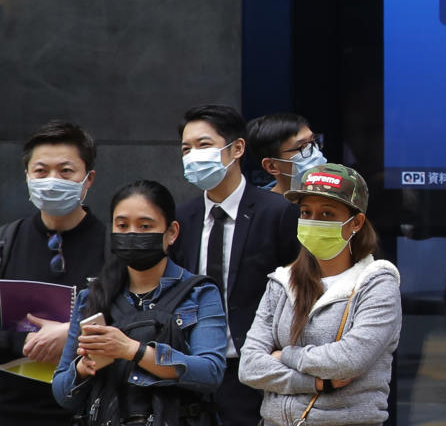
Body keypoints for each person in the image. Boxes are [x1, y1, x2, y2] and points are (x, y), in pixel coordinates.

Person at [51, 180, 227, 425]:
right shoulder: (91, 296)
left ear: (172, 232)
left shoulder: (199, 292)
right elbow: (62, 394)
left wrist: (133, 350)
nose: (132, 234)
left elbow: (210, 372)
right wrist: (84, 366)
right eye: (122, 226)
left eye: (145, 226)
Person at [239, 162, 401, 426]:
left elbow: (349, 360)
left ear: (356, 223)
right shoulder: (282, 281)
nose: (313, 222)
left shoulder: (377, 283)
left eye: (327, 214)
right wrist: (316, 382)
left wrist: (285, 355)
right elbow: (249, 366)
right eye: (306, 212)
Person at [170, 104, 302, 426]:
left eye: (204, 145)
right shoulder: (181, 218)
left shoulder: (277, 212)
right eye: (186, 149)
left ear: (237, 148)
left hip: (251, 372)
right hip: (190, 371)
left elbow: (298, 291)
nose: (193, 156)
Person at [0, 120, 106, 426]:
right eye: (41, 171)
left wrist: (71, 337)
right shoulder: (7, 242)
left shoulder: (113, 247)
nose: (52, 180)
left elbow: (133, 322)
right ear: (27, 177)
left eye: (65, 171)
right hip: (11, 409)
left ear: (88, 179)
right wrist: (28, 341)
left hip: (86, 410)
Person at [246, 112, 326, 195]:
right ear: (272, 166)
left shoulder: (337, 199)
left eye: (313, 141)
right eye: (302, 147)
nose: (315, 152)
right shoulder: (258, 206)